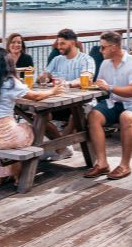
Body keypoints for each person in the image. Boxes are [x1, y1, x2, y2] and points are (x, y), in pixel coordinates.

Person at [0, 47, 62, 185]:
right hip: (7, 136)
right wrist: (53, 91)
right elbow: (36, 96)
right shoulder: (10, 83)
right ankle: (18, 175)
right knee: (31, 130)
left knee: (7, 138)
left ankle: (3, 175)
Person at [85, 31, 132, 180]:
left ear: (113, 47)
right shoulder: (105, 64)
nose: (100, 51)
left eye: (103, 47)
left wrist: (110, 87)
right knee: (93, 116)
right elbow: (100, 84)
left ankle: (125, 165)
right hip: (114, 103)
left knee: (126, 117)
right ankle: (102, 164)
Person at [38, 28, 95, 159]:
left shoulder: (86, 59)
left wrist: (68, 84)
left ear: (73, 43)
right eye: (58, 43)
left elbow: (85, 77)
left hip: (82, 101)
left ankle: (61, 145)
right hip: (58, 101)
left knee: (78, 111)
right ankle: (61, 147)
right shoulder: (57, 59)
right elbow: (45, 75)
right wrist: (43, 78)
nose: (59, 46)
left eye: (62, 43)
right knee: (39, 114)